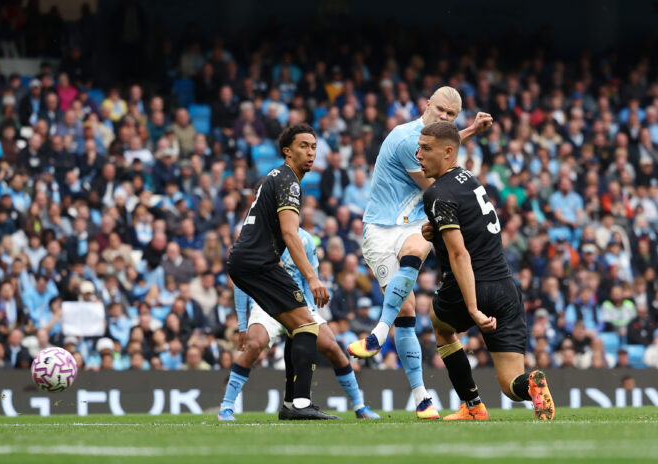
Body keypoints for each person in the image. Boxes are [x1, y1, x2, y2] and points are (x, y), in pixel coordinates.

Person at [348, 86, 492, 420]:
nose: (444, 117)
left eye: (451, 116)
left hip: (413, 224)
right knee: (407, 312)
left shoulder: (436, 139)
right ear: (426, 105)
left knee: (416, 248)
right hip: (379, 229)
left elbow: (442, 149)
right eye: (440, 110)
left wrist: (467, 132)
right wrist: (466, 134)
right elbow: (435, 178)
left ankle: (377, 334)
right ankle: (420, 396)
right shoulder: (403, 139)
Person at [417, 121, 554, 421]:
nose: (418, 154)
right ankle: (531, 384)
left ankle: (472, 406)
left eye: (426, 149)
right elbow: (471, 227)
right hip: (505, 286)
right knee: (509, 384)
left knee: (439, 325)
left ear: (448, 152)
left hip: (471, 285)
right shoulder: (470, 178)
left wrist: (473, 309)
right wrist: (437, 231)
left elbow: (459, 253)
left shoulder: (437, 193)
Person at [226, 123, 337, 420]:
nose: (311, 152)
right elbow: (291, 234)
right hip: (258, 262)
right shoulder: (289, 181)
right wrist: (312, 277)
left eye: (314, 146)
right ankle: (299, 404)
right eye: (304, 146)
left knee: (297, 326)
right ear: (287, 152)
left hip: (247, 260)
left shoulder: (273, 177)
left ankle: (293, 404)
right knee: (306, 325)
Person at [218, 226, 379, 421]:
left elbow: (310, 278)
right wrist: (242, 325)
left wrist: (310, 309)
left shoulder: (305, 239)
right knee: (253, 344)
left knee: (332, 347)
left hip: (299, 303)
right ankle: (226, 407)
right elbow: (242, 280)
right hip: (266, 303)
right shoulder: (258, 235)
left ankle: (360, 406)